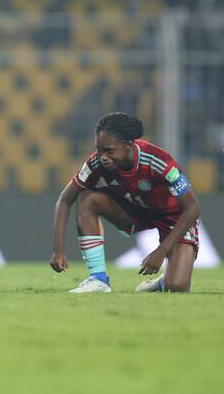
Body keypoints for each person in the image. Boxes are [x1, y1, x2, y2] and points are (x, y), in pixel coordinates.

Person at [50, 112, 201, 293]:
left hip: (173, 218)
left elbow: (193, 208)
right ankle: (98, 279)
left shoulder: (158, 161)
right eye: (98, 149)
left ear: (129, 144)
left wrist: (161, 251)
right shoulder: (96, 162)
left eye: (109, 151)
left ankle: (163, 281)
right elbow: (65, 199)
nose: (102, 156)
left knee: (176, 287)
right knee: (87, 198)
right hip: (134, 212)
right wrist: (58, 251)